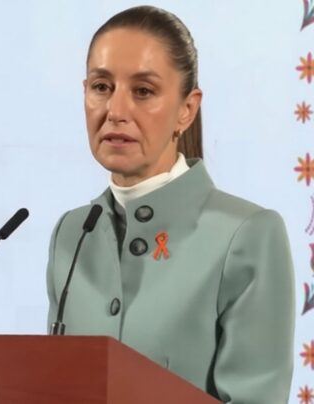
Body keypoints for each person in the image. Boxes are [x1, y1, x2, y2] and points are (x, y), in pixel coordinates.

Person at [46, 6, 294, 403]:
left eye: (143, 91)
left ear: (186, 109)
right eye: (101, 86)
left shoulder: (246, 235)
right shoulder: (72, 233)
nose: (116, 111)